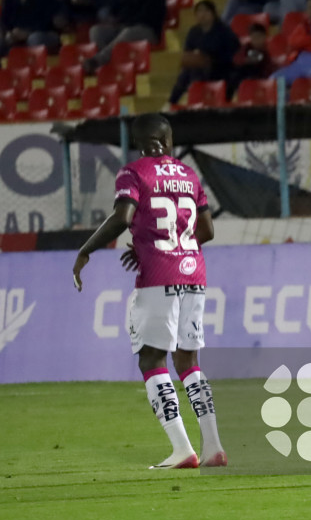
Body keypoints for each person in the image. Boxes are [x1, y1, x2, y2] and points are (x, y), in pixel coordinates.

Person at [72, 114, 227, 470]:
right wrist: (173, 247)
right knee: (188, 361)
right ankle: (214, 447)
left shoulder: (133, 172)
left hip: (159, 276)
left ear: (139, 142)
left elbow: (123, 218)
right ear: (169, 142)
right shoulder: (189, 175)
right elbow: (207, 229)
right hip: (195, 273)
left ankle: (182, 450)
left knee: (151, 359)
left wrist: (86, 249)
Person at [84, 0, 166, 73]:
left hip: (146, 30)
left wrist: (123, 22)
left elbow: (148, 17)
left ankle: (97, 61)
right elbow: (114, 10)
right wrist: (111, 20)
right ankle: (106, 67)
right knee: (96, 31)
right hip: (122, 28)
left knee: (129, 31)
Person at [168, 0, 241, 107]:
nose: (203, 14)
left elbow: (233, 51)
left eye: (206, 11)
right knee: (188, 71)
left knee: (195, 71)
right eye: (199, 11)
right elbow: (188, 51)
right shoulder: (194, 32)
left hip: (220, 67)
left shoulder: (224, 31)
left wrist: (209, 57)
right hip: (199, 66)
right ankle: (172, 102)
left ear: (213, 13)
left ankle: (198, 100)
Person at [0, 0, 64, 56]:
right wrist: (11, 33)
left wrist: (27, 32)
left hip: (43, 33)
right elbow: (5, 18)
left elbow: (48, 21)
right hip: (16, 34)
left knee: (34, 38)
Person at [230, 23, 273, 95]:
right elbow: (236, 60)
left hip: (260, 78)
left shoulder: (266, 52)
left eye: (259, 37)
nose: (256, 40)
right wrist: (246, 60)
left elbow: (268, 70)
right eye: (254, 37)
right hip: (244, 76)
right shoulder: (246, 48)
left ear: (264, 37)